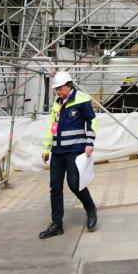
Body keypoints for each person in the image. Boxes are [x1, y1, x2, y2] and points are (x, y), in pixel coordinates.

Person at [39, 71, 98, 238]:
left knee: (74, 184)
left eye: (60, 88)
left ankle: (91, 209)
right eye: (56, 89)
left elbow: (91, 121)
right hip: (57, 152)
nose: (58, 92)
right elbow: (52, 126)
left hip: (74, 150)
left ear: (69, 86)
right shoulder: (57, 103)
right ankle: (57, 224)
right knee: (55, 188)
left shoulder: (82, 99)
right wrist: (46, 148)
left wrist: (89, 142)